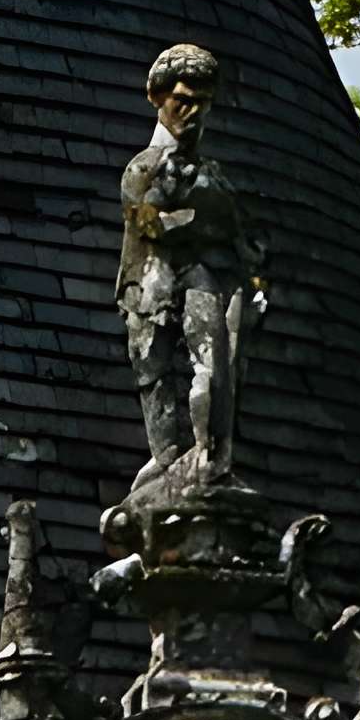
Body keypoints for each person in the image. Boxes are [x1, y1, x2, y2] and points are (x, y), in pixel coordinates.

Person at [115, 43, 268, 495]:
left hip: (201, 279)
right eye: (183, 100)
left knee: (213, 362)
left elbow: (244, 238)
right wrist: (200, 221)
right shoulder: (143, 167)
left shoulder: (212, 174)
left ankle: (209, 453)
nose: (193, 112)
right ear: (157, 97)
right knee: (153, 370)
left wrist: (253, 278)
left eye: (202, 103)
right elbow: (149, 223)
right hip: (148, 285)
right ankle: (164, 456)